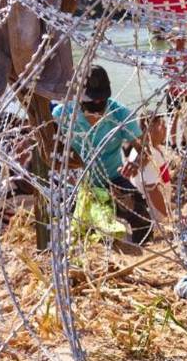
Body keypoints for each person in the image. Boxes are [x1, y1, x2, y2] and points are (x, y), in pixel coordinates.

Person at [52, 65, 154, 244]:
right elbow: (52, 151)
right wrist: (68, 170)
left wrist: (134, 162)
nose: (98, 103)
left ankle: (143, 247)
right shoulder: (62, 115)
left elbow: (143, 147)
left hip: (112, 179)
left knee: (141, 217)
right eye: (92, 99)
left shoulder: (119, 114)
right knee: (68, 228)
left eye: (102, 99)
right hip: (75, 183)